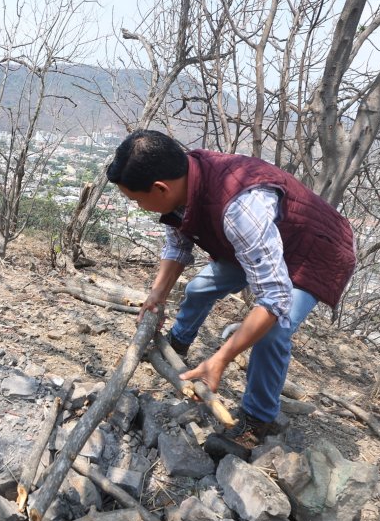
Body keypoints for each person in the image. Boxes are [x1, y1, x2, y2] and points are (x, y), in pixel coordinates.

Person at [106, 130, 355, 442]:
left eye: (136, 199)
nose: (139, 206)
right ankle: (178, 342)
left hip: (314, 251)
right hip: (260, 245)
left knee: (274, 332)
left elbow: (275, 297)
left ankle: (257, 419)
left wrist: (220, 359)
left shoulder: (239, 207)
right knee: (199, 287)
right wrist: (157, 295)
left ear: (159, 188)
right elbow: (179, 245)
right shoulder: (183, 183)